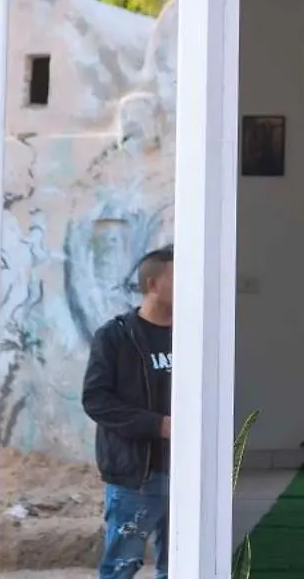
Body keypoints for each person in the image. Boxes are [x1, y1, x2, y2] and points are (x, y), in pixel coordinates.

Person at [82, 244, 175, 579]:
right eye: (179, 278)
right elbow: (96, 400)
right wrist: (158, 425)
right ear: (153, 284)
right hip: (138, 477)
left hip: (188, 472)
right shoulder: (116, 336)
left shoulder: (194, 335)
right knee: (122, 566)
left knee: (179, 565)